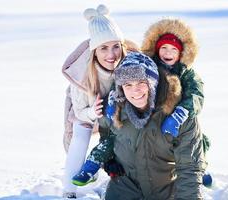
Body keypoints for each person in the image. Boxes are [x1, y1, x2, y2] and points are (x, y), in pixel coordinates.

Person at [72, 18, 211, 188]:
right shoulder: (148, 64)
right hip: (148, 112)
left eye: (173, 49)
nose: (168, 52)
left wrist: (182, 111)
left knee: (195, 139)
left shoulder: (188, 74)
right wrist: (114, 99)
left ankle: (199, 168)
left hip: (177, 116)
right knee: (119, 131)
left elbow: (196, 96)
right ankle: (96, 162)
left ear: (182, 53)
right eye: (164, 48)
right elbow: (126, 78)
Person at [85, 51, 207, 199]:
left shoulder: (179, 116)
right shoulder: (113, 111)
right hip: (124, 191)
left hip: (166, 192)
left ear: (152, 83)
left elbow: (189, 169)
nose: (134, 90)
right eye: (128, 84)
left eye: (141, 83)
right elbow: (107, 138)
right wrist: (109, 160)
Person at [61, 4, 139, 199]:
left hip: (116, 110)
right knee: (80, 135)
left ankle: (127, 176)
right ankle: (69, 189)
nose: (111, 55)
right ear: (94, 51)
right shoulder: (82, 73)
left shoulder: (129, 63)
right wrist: (92, 113)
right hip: (86, 110)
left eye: (115, 46)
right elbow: (79, 112)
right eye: (103, 48)